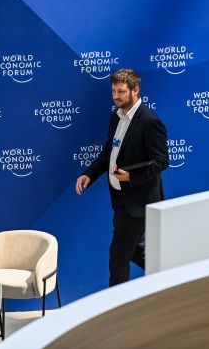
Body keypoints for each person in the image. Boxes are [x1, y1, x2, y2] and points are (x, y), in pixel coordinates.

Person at [75, 68, 168, 286]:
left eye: (121, 92)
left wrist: (130, 177)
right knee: (132, 250)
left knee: (118, 256)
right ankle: (171, 274)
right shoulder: (116, 117)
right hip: (120, 199)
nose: (116, 97)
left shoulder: (149, 121)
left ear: (135, 91)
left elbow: (161, 161)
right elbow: (109, 152)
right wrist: (89, 174)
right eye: (113, 91)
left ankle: (116, 302)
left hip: (139, 200)